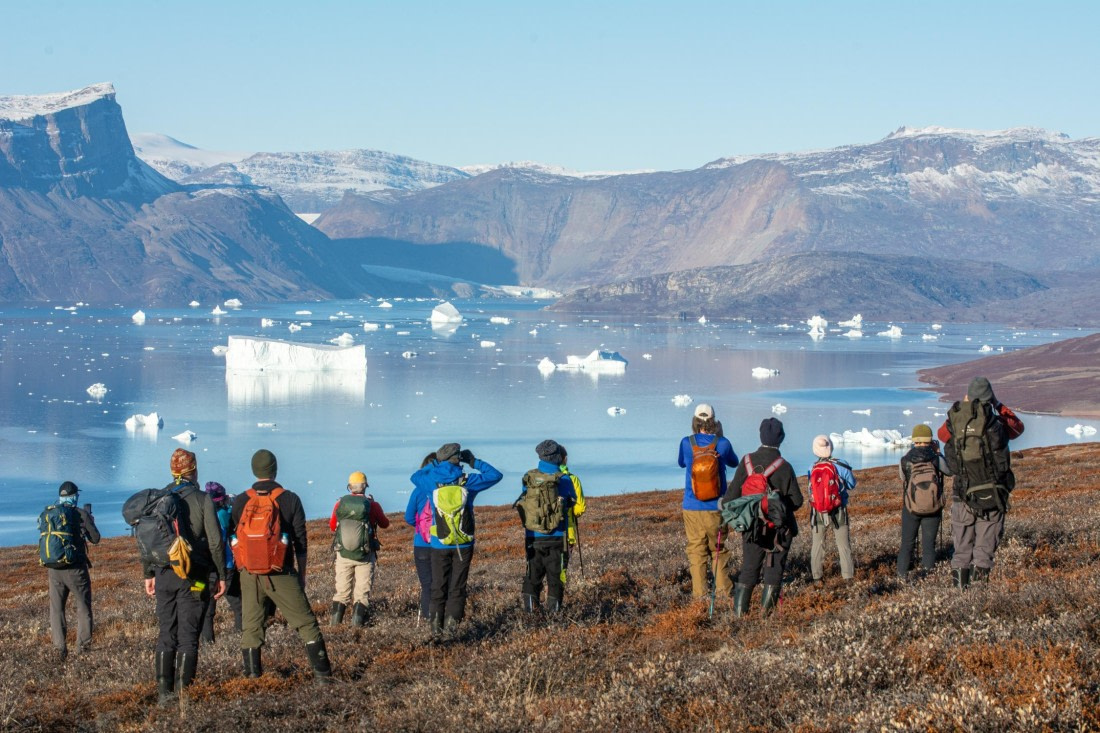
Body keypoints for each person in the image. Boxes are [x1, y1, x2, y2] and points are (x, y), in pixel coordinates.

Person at [231, 449, 333, 682]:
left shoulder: (241, 501)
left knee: (251, 627)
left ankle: (252, 679)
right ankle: (324, 678)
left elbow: (234, 537)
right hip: (282, 572)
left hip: (250, 574)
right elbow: (300, 541)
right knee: (306, 624)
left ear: (254, 470)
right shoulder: (290, 499)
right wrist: (302, 574)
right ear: (275, 469)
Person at [146, 449, 226, 706]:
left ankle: (163, 695)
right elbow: (215, 542)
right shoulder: (203, 499)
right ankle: (183, 697)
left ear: (173, 471)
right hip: (195, 577)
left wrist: (148, 573)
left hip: (164, 575)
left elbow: (149, 540)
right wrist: (221, 575)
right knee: (189, 636)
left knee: (166, 632)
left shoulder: (160, 498)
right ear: (194, 471)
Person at [938, 376, 1024, 588]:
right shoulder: (996, 422)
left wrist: (965, 409)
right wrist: (998, 405)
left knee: (961, 550)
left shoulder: (956, 422)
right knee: (984, 551)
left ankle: (959, 596)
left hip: (962, 493)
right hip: (992, 493)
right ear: (989, 396)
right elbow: (1018, 428)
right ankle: (978, 596)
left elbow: (941, 435)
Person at [408, 442, 502, 636]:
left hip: (438, 542)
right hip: (464, 542)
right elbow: (495, 475)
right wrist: (474, 461)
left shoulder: (431, 481)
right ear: (458, 459)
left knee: (437, 587)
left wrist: (434, 464)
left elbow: (415, 477)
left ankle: (436, 632)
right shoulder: (467, 480)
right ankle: (451, 632)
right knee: (457, 587)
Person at [721, 418, 803, 618]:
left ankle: (739, 617)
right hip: (779, 529)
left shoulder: (747, 462)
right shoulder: (784, 466)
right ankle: (766, 620)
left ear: (760, 436)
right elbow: (797, 501)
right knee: (774, 571)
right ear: (781, 438)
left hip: (752, 527)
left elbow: (730, 498)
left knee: (749, 568)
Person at [676, 404, 738, 601]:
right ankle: (724, 592)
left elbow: (681, 463)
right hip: (716, 507)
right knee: (718, 549)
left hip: (691, 506)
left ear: (695, 421)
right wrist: (720, 437)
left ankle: (699, 595)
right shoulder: (723, 443)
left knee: (696, 550)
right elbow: (734, 462)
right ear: (714, 421)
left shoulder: (686, 442)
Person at [515, 440, 578, 613]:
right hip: (558, 535)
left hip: (533, 536)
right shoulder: (563, 478)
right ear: (558, 457)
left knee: (532, 576)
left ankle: (530, 613)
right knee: (555, 578)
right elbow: (572, 501)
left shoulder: (529, 477)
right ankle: (554, 616)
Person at [43, 481, 100, 660]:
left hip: (54, 568)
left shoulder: (51, 513)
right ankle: (83, 650)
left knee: (57, 609)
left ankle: (59, 650)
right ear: (75, 496)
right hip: (75, 569)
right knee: (83, 607)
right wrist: (90, 522)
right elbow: (96, 538)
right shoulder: (81, 514)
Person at [329, 471, 390, 626]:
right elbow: (385, 524)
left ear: (349, 487)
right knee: (362, 593)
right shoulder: (372, 505)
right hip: (365, 555)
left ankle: (334, 628)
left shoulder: (340, 504)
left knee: (342, 592)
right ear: (365, 486)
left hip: (343, 554)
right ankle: (357, 628)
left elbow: (332, 526)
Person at [897, 425, 951, 579]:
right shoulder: (935, 458)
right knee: (929, 546)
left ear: (914, 440)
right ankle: (927, 578)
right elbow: (949, 471)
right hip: (933, 508)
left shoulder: (905, 459)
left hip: (911, 507)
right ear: (930, 440)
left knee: (907, 544)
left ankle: (902, 577)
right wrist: (939, 453)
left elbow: (903, 478)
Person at [806, 435, 856, 587]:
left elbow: (811, 488)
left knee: (817, 544)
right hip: (838, 509)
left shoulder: (811, 467)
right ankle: (847, 577)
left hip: (818, 511)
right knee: (843, 544)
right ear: (831, 447)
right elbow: (852, 484)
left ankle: (817, 578)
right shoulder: (842, 465)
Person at [200, 481, 240, 641]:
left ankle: (207, 642)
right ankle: (241, 637)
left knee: (207, 608)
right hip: (227, 565)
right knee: (238, 604)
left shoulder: (204, 516)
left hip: (207, 568)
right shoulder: (224, 514)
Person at [404, 453, 438, 625]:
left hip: (421, 544)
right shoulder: (442, 489)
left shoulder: (418, 491)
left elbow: (409, 517)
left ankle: (427, 620)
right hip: (442, 544)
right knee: (441, 584)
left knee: (427, 585)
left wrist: (420, 527)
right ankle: (440, 621)